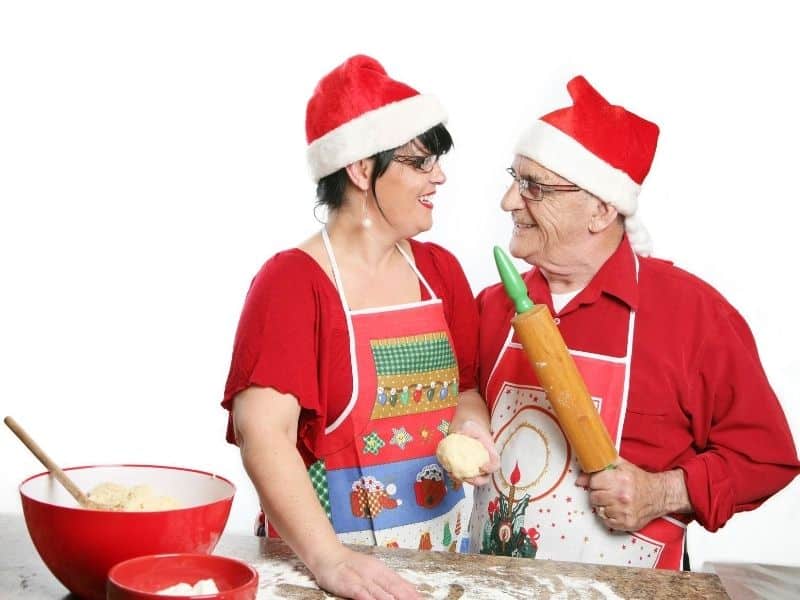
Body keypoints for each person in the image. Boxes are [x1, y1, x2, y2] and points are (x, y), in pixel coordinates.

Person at [450, 75, 800, 569]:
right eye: (514, 178)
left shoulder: (691, 315)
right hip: (502, 580)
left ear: (600, 208)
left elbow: (766, 458)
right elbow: (465, 394)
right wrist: (468, 417)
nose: (508, 201)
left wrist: (660, 491)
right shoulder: (492, 307)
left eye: (534, 187)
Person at [221, 55, 491, 600]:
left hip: (442, 557)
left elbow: (465, 391)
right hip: (328, 570)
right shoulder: (293, 284)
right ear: (362, 169)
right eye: (419, 163)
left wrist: (472, 427)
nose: (438, 176)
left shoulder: (440, 272)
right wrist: (330, 561)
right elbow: (264, 436)